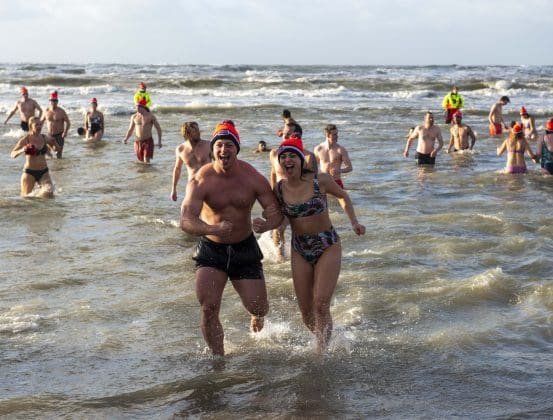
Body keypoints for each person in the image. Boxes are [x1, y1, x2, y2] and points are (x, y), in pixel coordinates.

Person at [180, 120, 283, 356]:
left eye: (229, 145)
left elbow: (276, 211)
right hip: (211, 249)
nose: (223, 150)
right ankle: (219, 359)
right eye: (219, 145)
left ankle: (255, 315)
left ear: (237, 148)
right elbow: (186, 220)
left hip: (244, 248)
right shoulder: (201, 179)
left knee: (260, 307)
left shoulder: (252, 177)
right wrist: (213, 229)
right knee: (208, 308)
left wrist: (267, 224)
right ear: (212, 149)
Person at [274, 136, 365, 352]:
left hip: (327, 243)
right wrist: (266, 225)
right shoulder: (279, 189)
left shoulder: (320, 180)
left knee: (321, 304)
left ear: (301, 160)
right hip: (299, 248)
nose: (287, 160)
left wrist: (354, 222)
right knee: (306, 312)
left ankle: (321, 353)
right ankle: (326, 336)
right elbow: (279, 217)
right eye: (283, 157)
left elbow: (342, 196)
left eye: (292, 156)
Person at [269, 121, 316, 260]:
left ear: (297, 136)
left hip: (300, 198)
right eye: (284, 133)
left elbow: (314, 181)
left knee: (305, 231)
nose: (284, 136)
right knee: (278, 229)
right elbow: (273, 174)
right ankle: (280, 258)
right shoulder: (274, 153)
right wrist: (272, 196)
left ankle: (306, 254)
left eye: (289, 134)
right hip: (280, 197)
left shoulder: (308, 156)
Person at [10, 117, 59, 198]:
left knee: (49, 193)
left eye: (40, 124)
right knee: (26, 198)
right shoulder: (26, 139)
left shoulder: (44, 137)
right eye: (36, 125)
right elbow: (12, 154)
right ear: (31, 126)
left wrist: (55, 143)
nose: (39, 126)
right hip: (29, 172)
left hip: (44, 172)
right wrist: (22, 149)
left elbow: (56, 149)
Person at [171, 121, 211, 201]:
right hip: (192, 186)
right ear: (187, 134)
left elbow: (219, 164)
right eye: (195, 131)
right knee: (188, 208)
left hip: (209, 184)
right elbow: (177, 169)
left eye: (198, 130)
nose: (198, 132)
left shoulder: (208, 145)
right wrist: (174, 189)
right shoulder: (181, 149)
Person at [122, 98, 162, 163]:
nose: (137, 109)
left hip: (148, 141)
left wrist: (159, 141)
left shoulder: (151, 116)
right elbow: (130, 129)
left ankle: (148, 170)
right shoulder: (134, 117)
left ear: (143, 107)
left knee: (146, 160)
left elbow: (158, 129)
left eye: (138, 107)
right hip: (138, 141)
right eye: (136, 107)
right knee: (141, 161)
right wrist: (126, 138)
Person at [314, 124, 352, 189]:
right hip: (323, 181)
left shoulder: (341, 150)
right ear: (327, 135)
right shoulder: (318, 149)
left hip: (336, 181)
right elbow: (314, 167)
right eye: (334, 134)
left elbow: (350, 168)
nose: (337, 136)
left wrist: (340, 170)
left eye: (337, 134)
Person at [42, 91, 70, 159]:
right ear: (49, 101)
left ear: (57, 101)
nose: (53, 102)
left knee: (58, 155)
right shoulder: (46, 111)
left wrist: (65, 132)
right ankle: (50, 164)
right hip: (49, 135)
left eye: (55, 100)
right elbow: (40, 122)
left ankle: (59, 165)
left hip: (59, 135)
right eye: (52, 100)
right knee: (47, 154)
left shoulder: (61, 111)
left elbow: (68, 122)